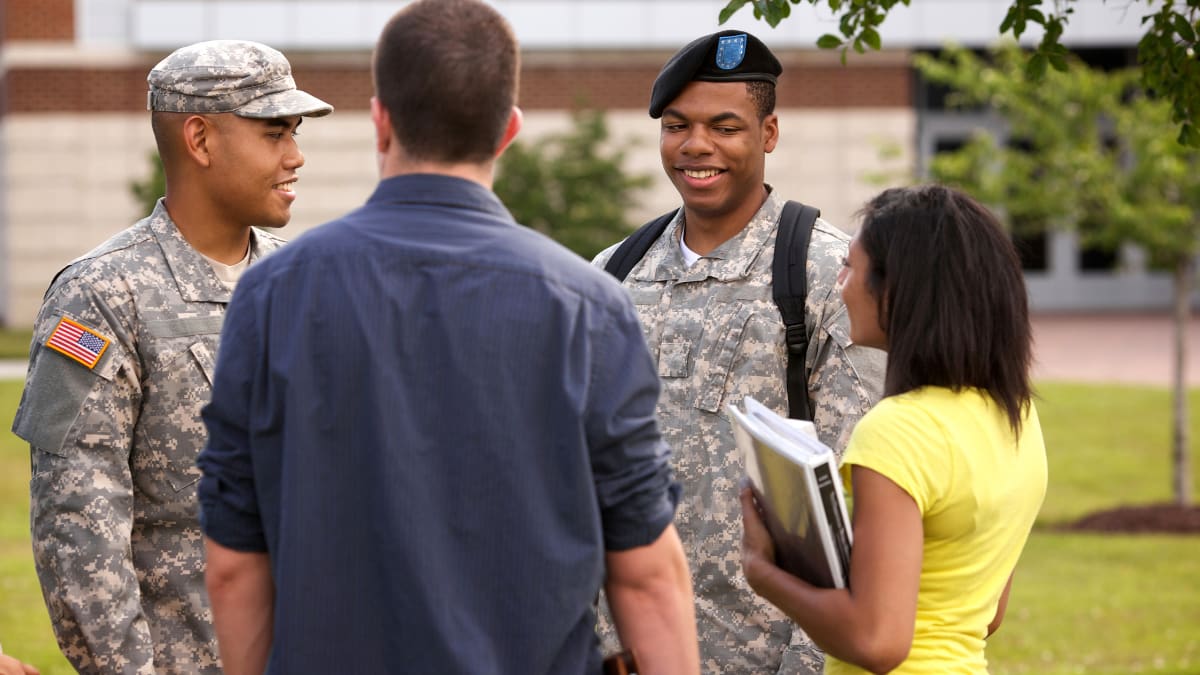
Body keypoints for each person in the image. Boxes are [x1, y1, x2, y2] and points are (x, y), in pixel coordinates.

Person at [195, 1, 700, 673]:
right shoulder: (589, 307)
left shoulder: (270, 295)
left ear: (381, 121)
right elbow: (646, 573)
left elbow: (233, 564)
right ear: (508, 131)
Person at [10, 40, 331, 674]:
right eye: (274, 134)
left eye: (294, 134)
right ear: (200, 139)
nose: (296, 156)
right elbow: (78, 525)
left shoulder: (305, 282)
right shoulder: (99, 296)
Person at [592, 30, 885, 673]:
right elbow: (580, 469)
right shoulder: (613, 275)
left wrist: (808, 662)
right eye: (677, 126)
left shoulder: (826, 274)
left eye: (724, 126)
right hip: (631, 651)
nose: (697, 146)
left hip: (766, 655)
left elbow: (858, 494)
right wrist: (602, 640)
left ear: (769, 133)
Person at [740, 184, 1049, 673]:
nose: (839, 284)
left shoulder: (898, 432)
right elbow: (987, 615)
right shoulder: (1016, 416)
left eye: (849, 267)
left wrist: (763, 571)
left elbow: (877, 642)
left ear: (898, 290)